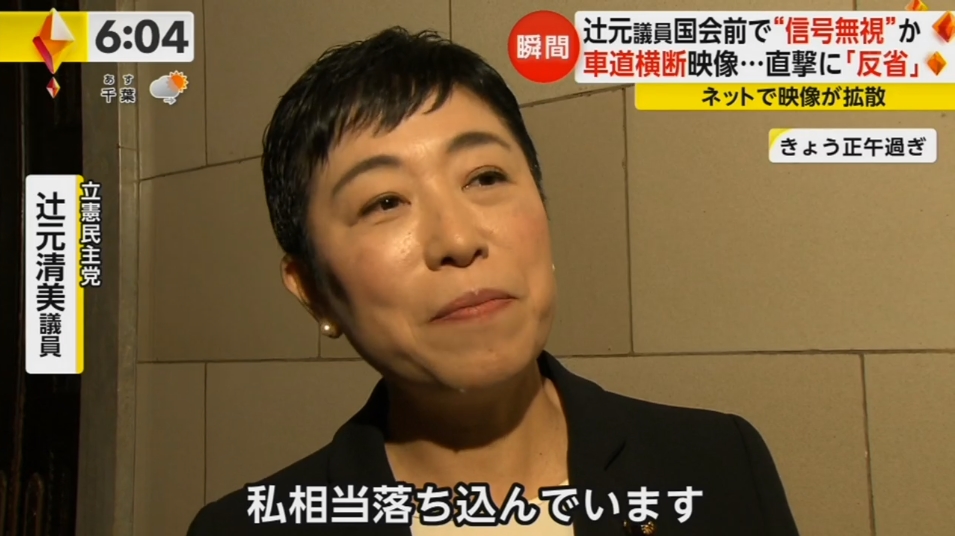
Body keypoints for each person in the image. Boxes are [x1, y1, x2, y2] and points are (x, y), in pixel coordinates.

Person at [186, 27, 799, 536]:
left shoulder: (717, 464)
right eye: (384, 202)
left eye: (485, 177)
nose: (457, 239)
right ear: (313, 289)